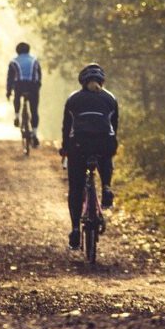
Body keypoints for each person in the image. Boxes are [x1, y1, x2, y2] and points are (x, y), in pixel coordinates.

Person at [59, 63, 118, 250]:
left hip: (79, 145)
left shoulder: (73, 99)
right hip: (104, 143)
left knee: (76, 188)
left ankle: (76, 229)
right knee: (105, 155)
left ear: (82, 81)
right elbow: (113, 128)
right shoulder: (110, 99)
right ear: (102, 80)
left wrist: (64, 149)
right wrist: (110, 146)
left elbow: (66, 128)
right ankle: (107, 187)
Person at [6, 42, 42, 146]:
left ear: (17, 51)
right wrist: (38, 87)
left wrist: (8, 91)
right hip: (33, 86)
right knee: (34, 110)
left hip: (20, 85)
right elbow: (39, 75)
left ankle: (17, 116)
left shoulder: (13, 61)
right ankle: (34, 134)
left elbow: (10, 79)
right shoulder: (35, 60)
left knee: (17, 97)